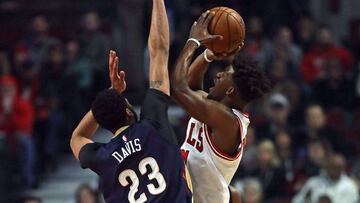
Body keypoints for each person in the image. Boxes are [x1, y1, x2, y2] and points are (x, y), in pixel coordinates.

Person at [70, 1, 191, 202]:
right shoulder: (153, 126)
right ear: (128, 112)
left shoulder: (102, 157)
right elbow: (159, 52)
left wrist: (109, 96)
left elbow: (77, 137)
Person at [171, 11, 272, 203]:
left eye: (225, 73)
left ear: (230, 90)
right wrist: (210, 54)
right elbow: (191, 86)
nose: (217, 75)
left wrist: (193, 42)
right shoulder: (216, 109)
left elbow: (178, 87)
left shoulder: (227, 120)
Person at [292, 154, 359, 203]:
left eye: (337, 167)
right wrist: (305, 198)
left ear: (343, 168)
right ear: (326, 167)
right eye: (330, 166)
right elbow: (295, 201)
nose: (333, 169)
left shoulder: (349, 186)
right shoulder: (313, 182)